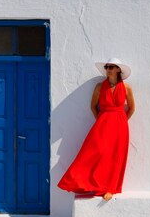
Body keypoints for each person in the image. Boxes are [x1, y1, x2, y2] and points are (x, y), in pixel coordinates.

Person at [58, 58, 135, 201]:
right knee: (94, 151)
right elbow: (93, 106)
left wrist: (122, 121)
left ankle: (109, 188)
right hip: (103, 123)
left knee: (115, 156)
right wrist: (101, 119)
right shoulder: (100, 87)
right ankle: (82, 182)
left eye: (111, 67)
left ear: (118, 69)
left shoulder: (127, 88)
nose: (108, 69)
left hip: (120, 125)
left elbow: (131, 108)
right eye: (107, 67)